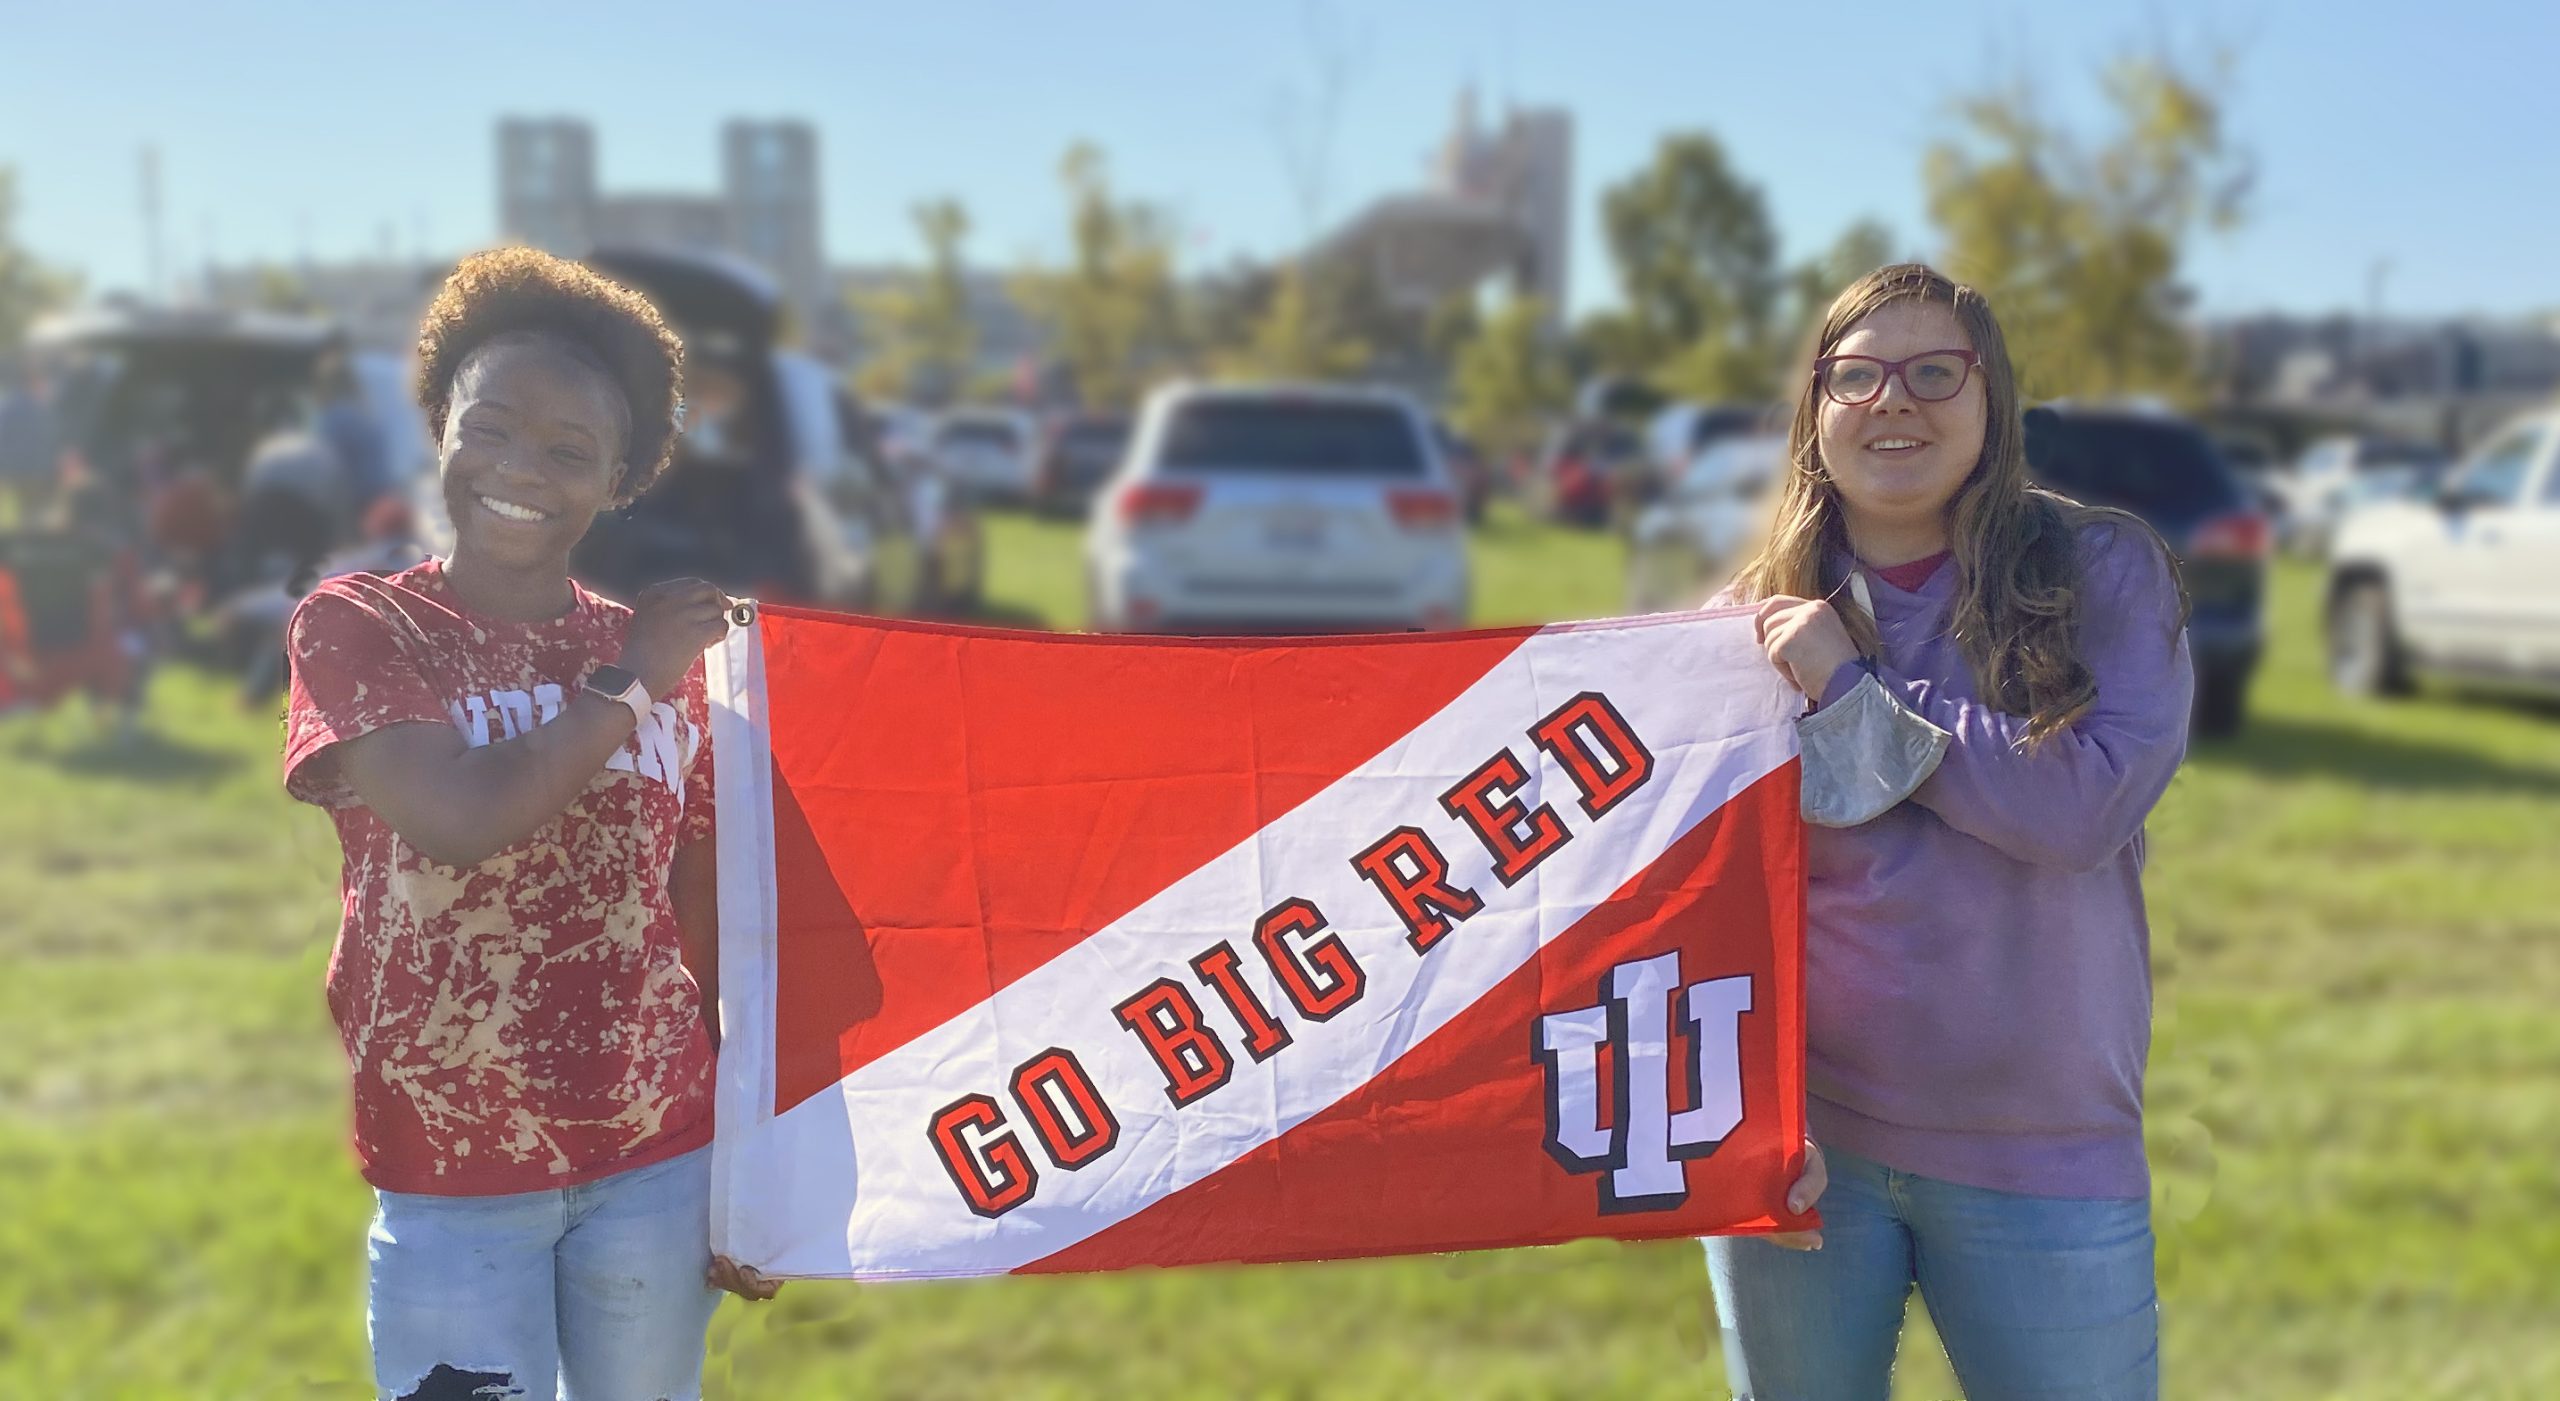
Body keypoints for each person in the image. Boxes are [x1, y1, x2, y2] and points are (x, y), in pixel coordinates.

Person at [281, 247, 779, 1401]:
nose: (520, 470)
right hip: (453, 1160)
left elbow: (700, 900)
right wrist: (629, 681)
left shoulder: (675, 665)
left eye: (568, 451)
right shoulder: (362, 626)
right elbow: (456, 817)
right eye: (491, 428)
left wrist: (748, 1156)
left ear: (620, 481)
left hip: (657, 1153)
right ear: (439, 425)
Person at [1706, 263, 2190, 1400]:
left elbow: (2079, 807)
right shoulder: (1749, 625)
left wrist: (1856, 695)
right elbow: (1703, 898)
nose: (1894, 402)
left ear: (1993, 401)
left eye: (1935, 373)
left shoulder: (2099, 573)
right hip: (1807, 1156)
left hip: (2041, 1156)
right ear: (1813, 414)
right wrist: (1740, 1127)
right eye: (1857, 376)